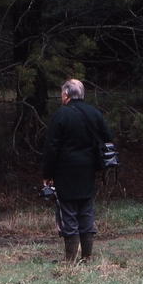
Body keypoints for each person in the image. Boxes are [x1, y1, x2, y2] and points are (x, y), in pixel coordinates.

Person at [42, 79, 113, 263]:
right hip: (88, 171)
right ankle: (87, 257)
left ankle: (69, 259)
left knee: (68, 213)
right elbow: (107, 139)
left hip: (65, 173)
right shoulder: (95, 113)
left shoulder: (61, 115)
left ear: (66, 95)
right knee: (86, 212)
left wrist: (47, 174)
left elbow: (51, 147)